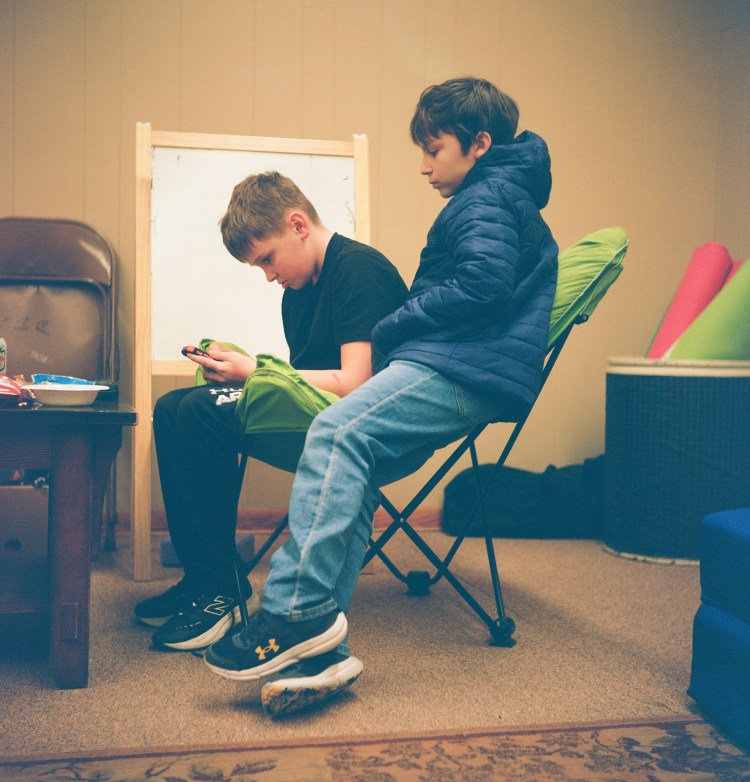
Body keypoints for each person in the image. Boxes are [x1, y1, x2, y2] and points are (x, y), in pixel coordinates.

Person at [202, 76, 559, 716]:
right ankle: (322, 654)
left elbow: (483, 286)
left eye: (434, 149)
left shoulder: (487, 198)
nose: (424, 165)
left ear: (479, 144)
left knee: (336, 430)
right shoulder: (496, 196)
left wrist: (398, 322)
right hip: (458, 362)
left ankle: (293, 613)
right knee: (352, 456)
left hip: (462, 368)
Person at [134, 171, 408, 656]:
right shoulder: (297, 293)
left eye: (267, 259)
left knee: (200, 412)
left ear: (298, 225)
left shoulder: (359, 271)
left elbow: (357, 384)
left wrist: (256, 372)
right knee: (172, 406)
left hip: (364, 427)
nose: (268, 275)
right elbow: (307, 381)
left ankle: (220, 589)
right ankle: (204, 577)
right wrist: (242, 370)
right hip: (322, 416)